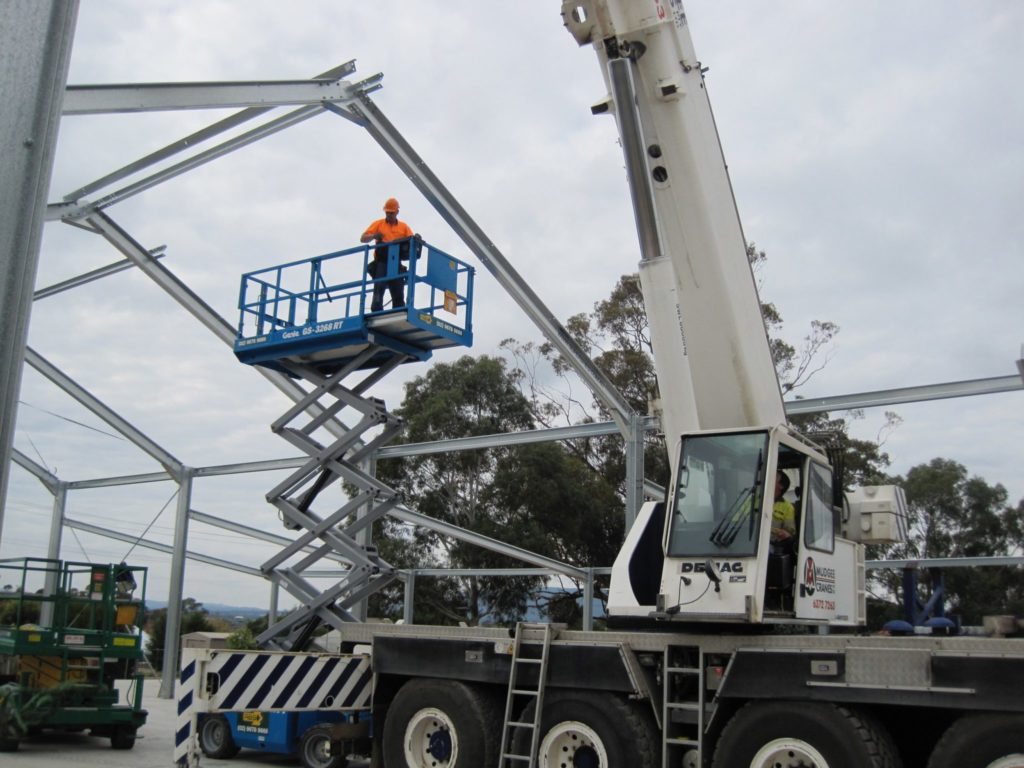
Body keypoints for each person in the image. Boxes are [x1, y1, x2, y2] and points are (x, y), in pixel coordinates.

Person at [360, 197, 414, 312]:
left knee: (398, 291)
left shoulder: (403, 227)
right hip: (382, 262)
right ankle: (376, 310)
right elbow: (363, 238)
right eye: (387, 212)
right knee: (378, 289)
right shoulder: (378, 224)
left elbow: (412, 242)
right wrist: (374, 236)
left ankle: (399, 311)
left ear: (397, 212)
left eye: (391, 213)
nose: (389, 215)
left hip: (396, 262)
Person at [771, 470, 796, 547]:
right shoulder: (753, 500)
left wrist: (783, 534)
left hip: (771, 545)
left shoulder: (788, 507)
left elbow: (789, 533)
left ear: (781, 486)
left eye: (773, 478)